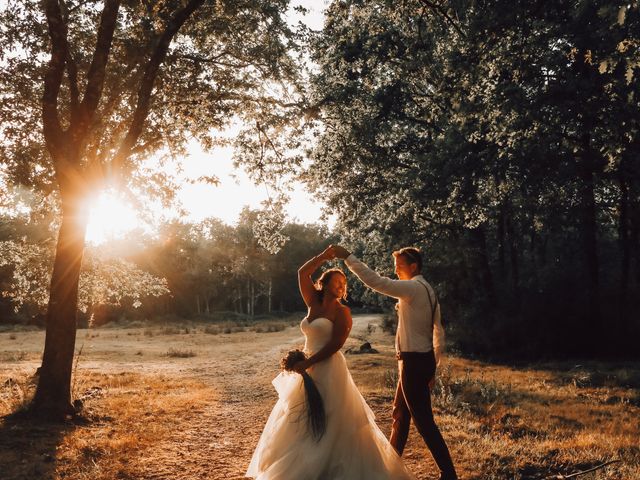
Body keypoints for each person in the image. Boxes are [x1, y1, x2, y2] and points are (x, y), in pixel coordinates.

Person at [246, 246, 416, 480]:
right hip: (307, 366)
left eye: (343, 284)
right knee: (299, 415)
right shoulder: (312, 303)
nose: (340, 287)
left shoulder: (342, 311)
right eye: (336, 282)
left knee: (331, 418)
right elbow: (302, 273)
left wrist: (309, 363)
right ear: (323, 284)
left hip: (329, 369)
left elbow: (336, 344)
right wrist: (324, 256)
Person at [332, 245, 458, 480]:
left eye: (400, 266)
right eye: (395, 266)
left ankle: (448, 473)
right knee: (400, 415)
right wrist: (434, 364)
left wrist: (348, 257)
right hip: (420, 360)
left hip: (413, 361)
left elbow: (376, 282)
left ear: (413, 266)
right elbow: (437, 331)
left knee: (423, 421)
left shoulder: (413, 288)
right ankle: (389, 469)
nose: (396, 270)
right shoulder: (427, 289)